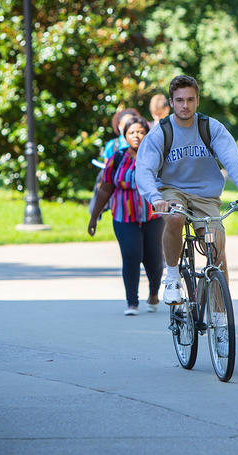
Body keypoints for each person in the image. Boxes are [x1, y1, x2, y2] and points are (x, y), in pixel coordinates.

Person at [135, 74, 238, 305]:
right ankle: (171, 279)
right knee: (175, 217)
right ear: (171, 102)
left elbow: (232, 160)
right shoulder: (161, 132)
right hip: (172, 190)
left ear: (197, 100)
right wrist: (154, 197)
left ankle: (220, 317)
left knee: (217, 247)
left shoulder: (210, 128)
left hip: (205, 196)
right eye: (179, 100)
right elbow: (144, 170)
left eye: (190, 100)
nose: (185, 105)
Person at [88, 116, 164, 316]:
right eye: (132, 132)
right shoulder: (118, 159)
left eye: (140, 132)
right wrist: (94, 216)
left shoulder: (156, 157)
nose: (136, 136)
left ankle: (154, 294)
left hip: (153, 216)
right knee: (131, 255)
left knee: (154, 260)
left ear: (147, 134)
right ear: (125, 136)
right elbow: (105, 189)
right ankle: (132, 302)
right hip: (124, 217)